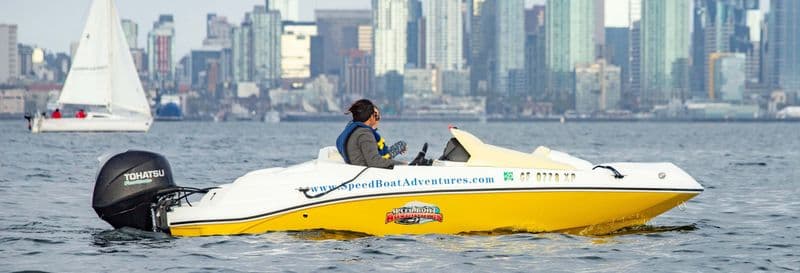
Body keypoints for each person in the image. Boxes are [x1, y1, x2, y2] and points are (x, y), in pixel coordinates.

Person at [336, 99, 405, 169]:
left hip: (360, 167)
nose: (378, 119)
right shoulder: (365, 134)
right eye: (376, 116)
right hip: (367, 172)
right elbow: (375, 162)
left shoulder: (352, 131)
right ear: (371, 116)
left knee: (400, 146)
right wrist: (404, 165)